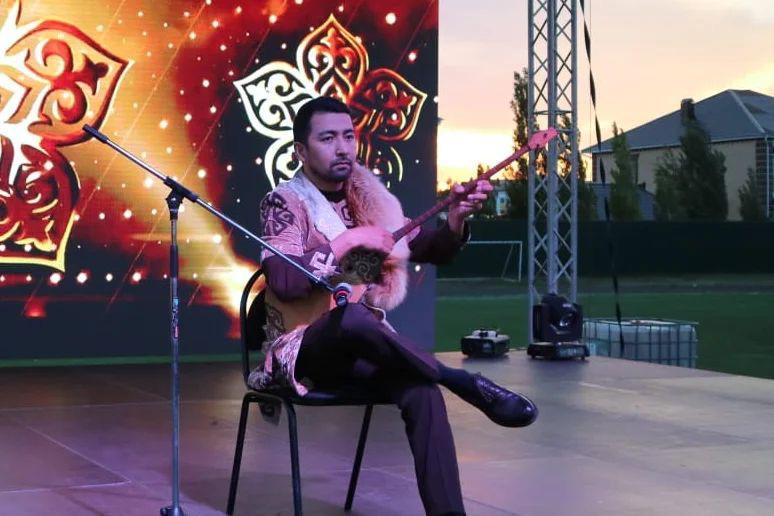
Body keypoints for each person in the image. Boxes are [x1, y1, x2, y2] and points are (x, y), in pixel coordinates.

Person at [250, 96, 537, 516]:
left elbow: (427, 249)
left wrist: (455, 219)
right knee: (351, 317)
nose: (343, 148)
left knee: (422, 391)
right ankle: (461, 381)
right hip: (304, 348)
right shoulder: (285, 202)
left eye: (348, 136)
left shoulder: (370, 198)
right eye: (328, 139)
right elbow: (284, 280)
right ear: (301, 151)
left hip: (361, 345)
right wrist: (350, 240)